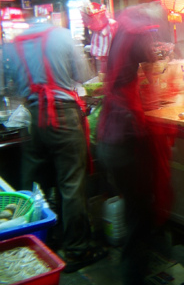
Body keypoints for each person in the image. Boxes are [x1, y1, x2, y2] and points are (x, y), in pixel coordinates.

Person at [3, 19, 108, 273]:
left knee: (36, 181)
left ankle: (41, 240)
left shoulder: (11, 46)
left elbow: (7, 87)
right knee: (71, 183)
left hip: (34, 118)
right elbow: (83, 75)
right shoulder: (62, 36)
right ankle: (77, 250)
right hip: (63, 115)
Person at [96, 4, 174, 285]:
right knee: (139, 213)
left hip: (109, 136)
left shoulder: (121, 33)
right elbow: (155, 65)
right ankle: (135, 276)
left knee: (137, 208)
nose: (152, 33)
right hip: (124, 139)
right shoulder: (135, 33)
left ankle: (147, 264)